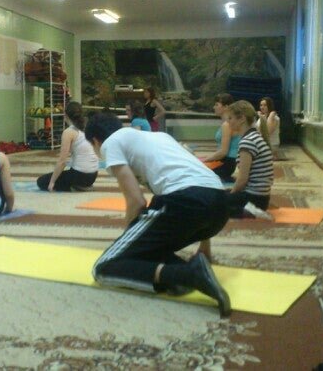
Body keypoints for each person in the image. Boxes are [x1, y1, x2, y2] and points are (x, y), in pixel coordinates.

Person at [84, 112, 232, 316]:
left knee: (104, 267)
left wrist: (130, 245)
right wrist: (205, 249)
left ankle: (188, 275)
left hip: (185, 202)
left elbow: (136, 201)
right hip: (220, 207)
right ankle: (188, 271)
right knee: (149, 250)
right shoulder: (161, 137)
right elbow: (198, 180)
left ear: (95, 141)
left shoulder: (111, 144)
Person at [37, 102, 99, 192]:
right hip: (93, 175)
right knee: (70, 171)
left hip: (79, 175)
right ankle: (82, 185)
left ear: (65, 115)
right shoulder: (88, 127)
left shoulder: (69, 132)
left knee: (41, 181)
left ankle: (76, 186)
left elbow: (62, 161)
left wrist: (52, 182)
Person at [227, 100, 274, 218]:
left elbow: (242, 180)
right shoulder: (255, 136)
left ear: (242, 119)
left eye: (230, 118)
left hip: (254, 199)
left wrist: (231, 195)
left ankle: (249, 211)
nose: (228, 121)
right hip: (262, 198)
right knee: (219, 195)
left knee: (212, 204)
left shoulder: (247, 141)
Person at [202, 93, 240, 182]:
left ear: (226, 107)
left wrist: (205, 160)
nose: (214, 107)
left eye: (216, 105)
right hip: (226, 162)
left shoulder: (227, 125)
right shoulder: (227, 123)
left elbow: (223, 152)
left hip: (226, 164)